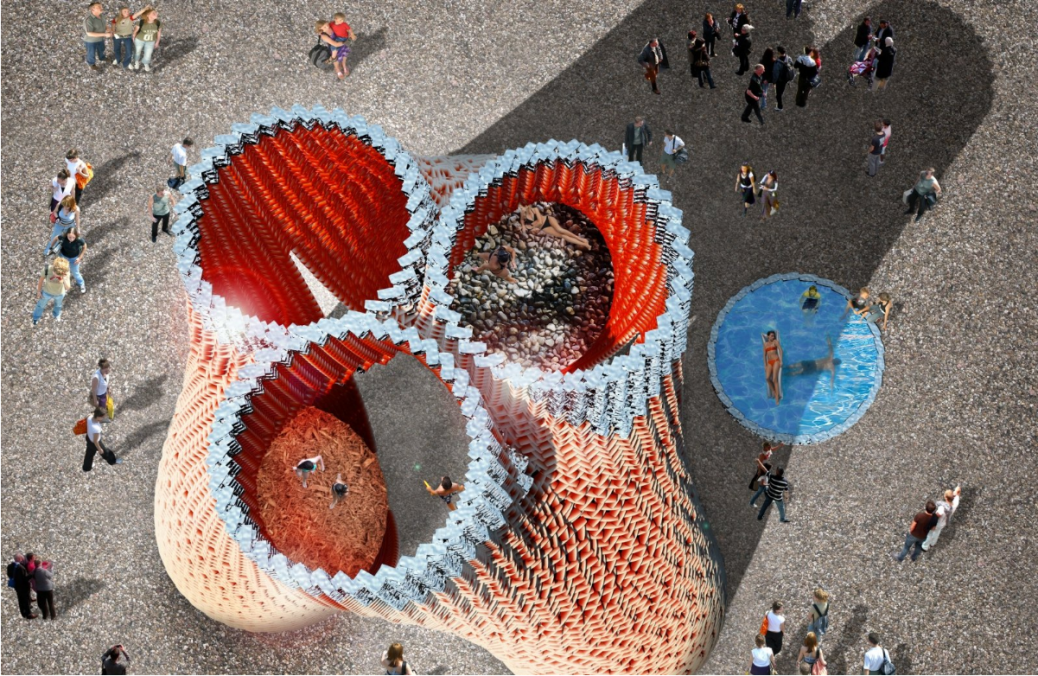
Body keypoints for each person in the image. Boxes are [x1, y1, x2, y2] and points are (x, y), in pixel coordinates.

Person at [519, 203, 591, 249]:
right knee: (562, 236)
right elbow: (522, 220)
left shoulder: (534, 209)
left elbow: (540, 221)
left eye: (524, 206)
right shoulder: (523, 212)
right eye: (522, 207)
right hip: (544, 227)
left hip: (548, 220)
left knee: (560, 230)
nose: (523, 209)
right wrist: (523, 226)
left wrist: (531, 226)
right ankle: (584, 244)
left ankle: (581, 239)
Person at [32, 258, 71, 326]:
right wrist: (39, 291)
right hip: (46, 292)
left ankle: (56, 314)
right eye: (55, 273)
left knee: (58, 305)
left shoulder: (66, 272)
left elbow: (67, 287)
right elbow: (41, 280)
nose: (56, 276)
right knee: (40, 305)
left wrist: (64, 278)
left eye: (58, 275)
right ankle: (36, 317)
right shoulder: (47, 269)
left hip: (59, 293)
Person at [922, 485, 962, 551]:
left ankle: (925, 546)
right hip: (944, 522)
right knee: (937, 532)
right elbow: (957, 494)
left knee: (931, 533)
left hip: (938, 523)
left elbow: (937, 515)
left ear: (945, 497)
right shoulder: (954, 504)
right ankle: (933, 543)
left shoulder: (942, 508)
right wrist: (957, 491)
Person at [85, 407, 121, 471]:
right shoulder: (96, 428)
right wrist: (100, 449)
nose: (103, 418)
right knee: (106, 452)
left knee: (89, 454)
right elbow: (95, 441)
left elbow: (89, 416)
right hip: (95, 442)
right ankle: (112, 461)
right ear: (99, 417)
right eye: (103, 417)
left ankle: (86, 467)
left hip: (89, 438)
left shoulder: (89, 417)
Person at [53, 228, 88, 293]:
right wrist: (51, 247)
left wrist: (80, 258)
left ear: (76, 236)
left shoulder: (79, 240)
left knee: (75, 273)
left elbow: (85, 246)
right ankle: (62, 284)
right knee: (61, 271)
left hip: (74, 258)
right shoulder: (63, 238)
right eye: (69, 237)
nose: (71, 239)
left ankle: (81, 283)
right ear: (67, 235)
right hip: (63, 256)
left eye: (73, 237)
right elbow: (56, 238)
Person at [84, 2, 112, 71]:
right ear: (93, 9)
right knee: (91, 53)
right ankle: (92, 64)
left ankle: (102, 58)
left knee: (102, 49)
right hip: (91, 41)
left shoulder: (101, 16)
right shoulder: (88, 20)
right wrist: (105, 34)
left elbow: (104, 24)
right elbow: (89, 33)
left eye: (101, 6)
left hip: (100, 39)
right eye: (99, 7)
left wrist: (109, 29)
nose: (101, 8)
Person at [131, 6, 161, 72]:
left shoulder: (158, 23)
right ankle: (136, 61)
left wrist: (157, 42)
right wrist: (133, 37)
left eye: (156, 13)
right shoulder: (141, 22)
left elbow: (159, 33)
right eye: (154, 13)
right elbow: (135, 31)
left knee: (148, 54)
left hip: (151, 41)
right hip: (139, 40)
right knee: (137, 51)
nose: (156, 14)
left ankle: (145, 63)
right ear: (148, 15)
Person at [11, 555, 36, 619]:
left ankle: (23, 613)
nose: (23, 560)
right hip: (23, 587)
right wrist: (32, 574)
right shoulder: (20, 567)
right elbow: (25, 578)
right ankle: (29, 614)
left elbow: (10, 574)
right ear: (19, 559)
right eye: (22, 558)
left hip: (17, 586)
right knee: (26, 600)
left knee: (21, 600)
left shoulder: (12, 566)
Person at [761, 330, 783, 403]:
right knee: (767, 378)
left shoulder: (775, 342)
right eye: (771, 336)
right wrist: (765, 365)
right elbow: (764, 355)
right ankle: (775, 392)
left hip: (776, 361)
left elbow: (780, 350)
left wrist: (781, 360)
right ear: (768, 336)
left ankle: (777, 398)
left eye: (774, 336)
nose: (773, 337)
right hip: (769, 362)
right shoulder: (765, 344)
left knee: (774, 379)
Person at [772, 46, 794, 111]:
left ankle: (780, 107)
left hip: (780, 80)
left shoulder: (778, 62)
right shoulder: (789, 58)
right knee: (781, 91)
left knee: (778, 95)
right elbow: (792, 65)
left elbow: (775, 73)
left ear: (779, 52)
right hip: (787, 78)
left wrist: (774, 81)